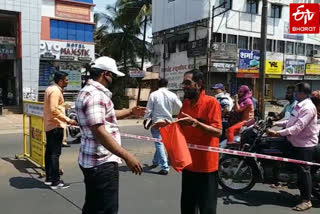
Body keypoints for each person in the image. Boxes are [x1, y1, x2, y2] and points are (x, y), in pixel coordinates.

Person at [76, 56, 145, 214]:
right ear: (105, 74)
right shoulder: (96, 96)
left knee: (93, 206)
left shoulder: (87, 91)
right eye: (112, 75)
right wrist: (127, 156)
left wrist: (130, 111)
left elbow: (106, 115)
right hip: (102, 163)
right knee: (106, 209)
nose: (113, 79)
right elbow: (99, 131)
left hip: (90, 160)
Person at [268, 82, 318, 211]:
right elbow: (290, 121)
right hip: (294, 141)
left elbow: (297, 128)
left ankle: (307, 201)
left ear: (303, 93)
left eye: (296, 91)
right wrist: (276, 123)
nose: (295, 94)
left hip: (304, 145)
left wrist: (277, 133)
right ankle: (282, 179)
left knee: (304, 171)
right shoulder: (298, 106)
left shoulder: (308, 108)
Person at [177, 69, 222, 214]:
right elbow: (180, 126)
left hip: (206, 168)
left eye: (188, 83)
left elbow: (218, 132)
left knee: (206, 209)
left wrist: (196, 123)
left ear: (199, 84)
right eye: (184, 83)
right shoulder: (186, 103)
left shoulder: (211, 103)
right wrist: (164, 124)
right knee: (187, 208)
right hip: (189, 165)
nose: (184, 86)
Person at [43, 71, 77, 189]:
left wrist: (63, 106)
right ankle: (56, 181)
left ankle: (49, 178)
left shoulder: (50, 89)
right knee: (55, 154)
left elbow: (55, 107)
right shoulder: (56, 91)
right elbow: (53, 110)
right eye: (66, 80)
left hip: (50, 125)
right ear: (60, 81)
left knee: (49, 153)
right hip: (56, 126)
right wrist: (68, 120)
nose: (68, 82)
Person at [144, 78, 182, 175]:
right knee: (160, 142)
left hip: (157, 122)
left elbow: (148, 109)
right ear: (167, 84)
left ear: (158, 85)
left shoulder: (153, 94)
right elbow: (180, 106)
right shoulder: (172, 95)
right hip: (168, 122)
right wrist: (173, 114)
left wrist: (146, 119)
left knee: (159, 143)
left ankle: (165, 167)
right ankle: (155, 162)